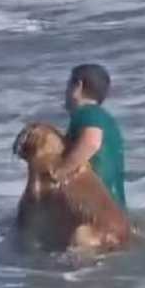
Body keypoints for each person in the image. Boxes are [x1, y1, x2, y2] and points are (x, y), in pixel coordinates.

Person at [50, 63, 127, 210]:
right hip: (116, 206)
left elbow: (91, 143)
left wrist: (59, 173)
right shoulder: (106, 118)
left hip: (96, 205)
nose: (65, 92)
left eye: (68, 85)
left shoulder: (88, 113)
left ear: (78, 87)